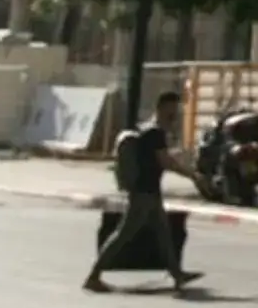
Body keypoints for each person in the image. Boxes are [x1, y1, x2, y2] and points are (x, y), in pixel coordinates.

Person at [86, 90, 201, 294]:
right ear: (162, 108)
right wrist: (192, 174)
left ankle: (177, 274)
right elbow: (165, 161)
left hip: (149, 191)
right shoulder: (155, 133)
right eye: (172, 109)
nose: (175, 114)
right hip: (144, 193)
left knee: (163, 233)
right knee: (123, 234)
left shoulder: (146, 129)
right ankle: (93, 276)